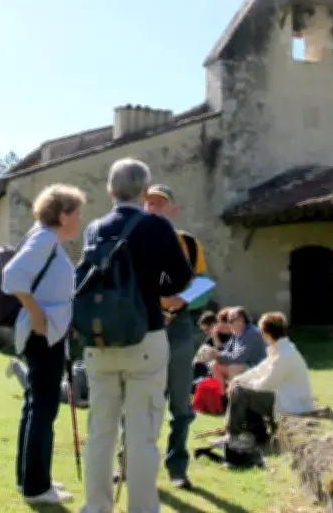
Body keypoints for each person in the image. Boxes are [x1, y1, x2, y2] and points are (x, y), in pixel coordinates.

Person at [78, 158, 192, 513]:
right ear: (145, 192)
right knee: (142, 436)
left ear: (109, 191)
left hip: (99, 340)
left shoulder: (94, 229)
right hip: (145, 335)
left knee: (100, 433)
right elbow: (181, 278)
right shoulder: (156, 225)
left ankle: (96, 507)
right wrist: (155, 285)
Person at [113, 183, 209, 490]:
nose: (152, 207)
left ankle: (177, 467)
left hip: (179, 329)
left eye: (159, 203)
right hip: (141, 326)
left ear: (173, 209)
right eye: (148, 203)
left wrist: (182, 300)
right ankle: (126, 464)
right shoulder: (131, 240)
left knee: (181, 403)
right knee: (135, 400)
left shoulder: (188, 244)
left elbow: (203, 285)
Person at [2, 183, 86, 505]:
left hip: (46, 336)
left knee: (36, 407)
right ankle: (37, 488)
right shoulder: (45, 239)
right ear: (63, 215)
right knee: (43, 409)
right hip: (43, 336)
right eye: (76, 212)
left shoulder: (45, 239)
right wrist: (38, 315)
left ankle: (32, 481)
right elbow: (12, 278)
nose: (79, 218)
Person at [220, 312, 314, 444]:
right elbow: (258, 370)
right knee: (241, 388)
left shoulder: (284, 355)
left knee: (241, 392)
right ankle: (256, 434)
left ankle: (232, 436)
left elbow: (266, 385)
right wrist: (237, 379)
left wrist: (241, 385)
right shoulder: (281, 350)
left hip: (290, 404)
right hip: (282, 399)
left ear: (267, 333)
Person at [212, 306, 267, 385]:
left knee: (234, 368)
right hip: (245, 365)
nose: (229, 325)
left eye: (231, 321)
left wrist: (218, 355)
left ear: (241, 320)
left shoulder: (251, 333)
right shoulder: (237, 333)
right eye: (227, 321)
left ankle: (234, 394)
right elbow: (226, 350)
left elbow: (239, 358)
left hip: (256, 368)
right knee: (215, 365)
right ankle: (223, 396)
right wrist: (214, 353)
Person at [6, 356, 89, 408]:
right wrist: (92, 402)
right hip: (56, 390)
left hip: (60, 381)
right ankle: (16, 366)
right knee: (33, 388)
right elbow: (75, 401)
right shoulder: (79, 371)